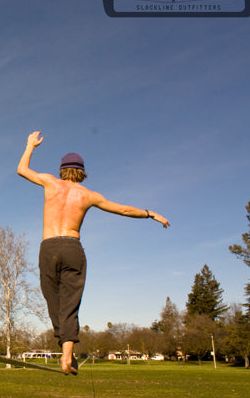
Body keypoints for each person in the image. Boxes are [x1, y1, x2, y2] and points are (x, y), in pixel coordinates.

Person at [17, 131, 169, 375]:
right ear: (82, 172)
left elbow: (22, 170)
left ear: (62, 169)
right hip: (72, 248)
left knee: (52, 299)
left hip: (48, 247)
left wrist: (30, 146)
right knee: (70, 302)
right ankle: (68, 354)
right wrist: (150, 213)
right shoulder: (89, 195)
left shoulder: (49, 182)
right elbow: (124, 210)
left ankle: (65, 348)